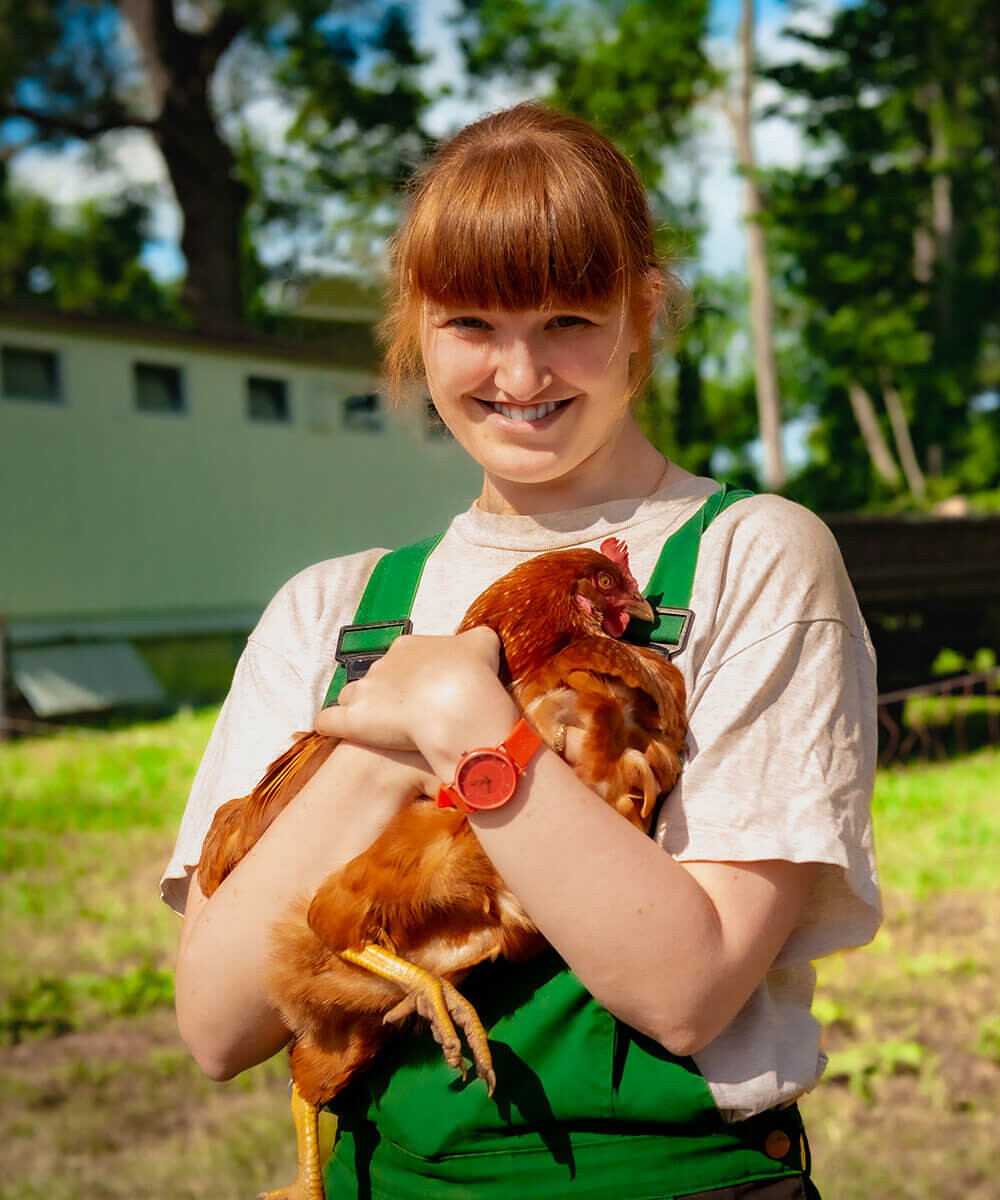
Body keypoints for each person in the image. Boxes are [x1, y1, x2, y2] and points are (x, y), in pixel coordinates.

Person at [163, 102, 881, 1199]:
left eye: (566, 319)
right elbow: (218, 1028)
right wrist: (377, 752)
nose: (520, 371)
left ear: (641, 312)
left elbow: (686, 994)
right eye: (472, 323)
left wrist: (464, 724)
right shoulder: (330, 611)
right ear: (416, 325)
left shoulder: (751, 557)